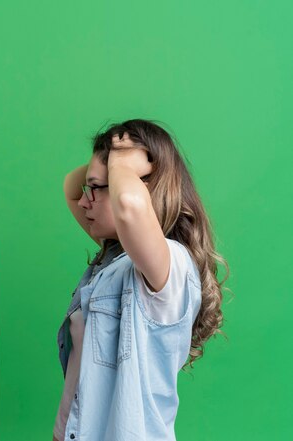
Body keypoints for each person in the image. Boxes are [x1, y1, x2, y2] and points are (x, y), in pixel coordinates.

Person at [53, 119, 227, 441]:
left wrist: (120, 163)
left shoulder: (168, 267)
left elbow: (130, 207)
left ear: (142, 187)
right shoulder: (115, 260)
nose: (84, 199)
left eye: (98, 188)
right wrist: (112, 156)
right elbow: (70, 187)